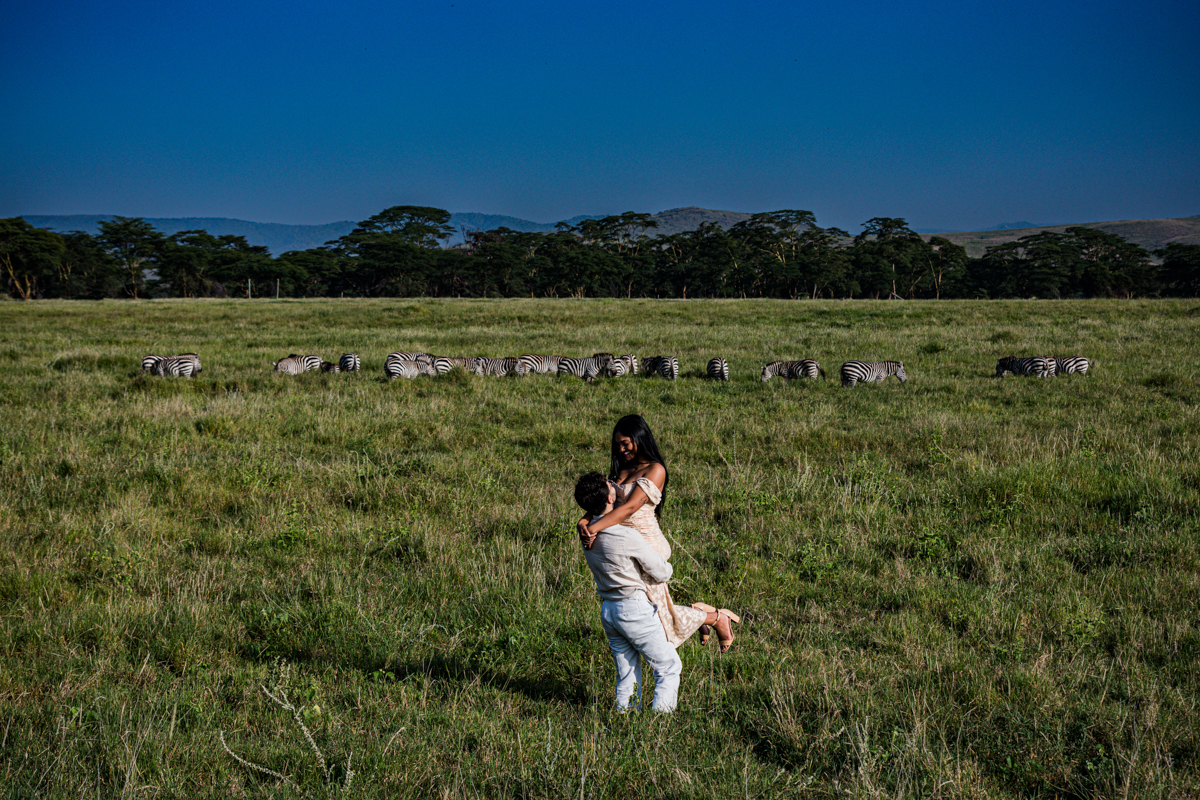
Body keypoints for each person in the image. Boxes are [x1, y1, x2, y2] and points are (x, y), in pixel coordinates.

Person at [577, 414, 741, 652]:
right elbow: (602, 499)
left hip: (647, 543)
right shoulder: (622, 467)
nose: (621, 449)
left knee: (658, 618)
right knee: (655, 611)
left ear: (639, 438)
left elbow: (629, 508)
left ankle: (715, 618)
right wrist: (582, 521)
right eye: (617, 444)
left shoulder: (656, 470)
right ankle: (703, 616)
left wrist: (592, 528)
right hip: (624, 543)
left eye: (626, 443)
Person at [574, 471, 681, 712]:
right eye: (610, 485)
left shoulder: (587, 534)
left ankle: (626, 717)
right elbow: (661, 572)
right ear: (610, 498)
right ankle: (661, 721)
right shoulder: (626, 535)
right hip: (634, 608)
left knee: (627, 671)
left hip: (609, 609)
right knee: (667, 665)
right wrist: (667, 563)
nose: (614, 485)